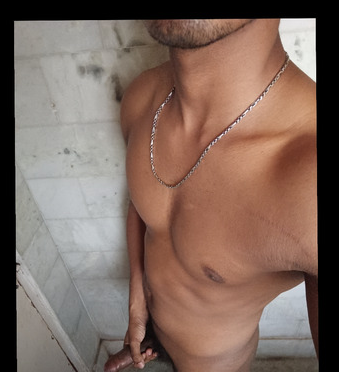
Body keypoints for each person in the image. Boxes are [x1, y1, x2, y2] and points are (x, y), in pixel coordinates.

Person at [105, 19, 317, 372]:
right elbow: (142, 203)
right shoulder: (141, 97)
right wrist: (137, 302)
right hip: (153, 334)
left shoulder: (307, 177)